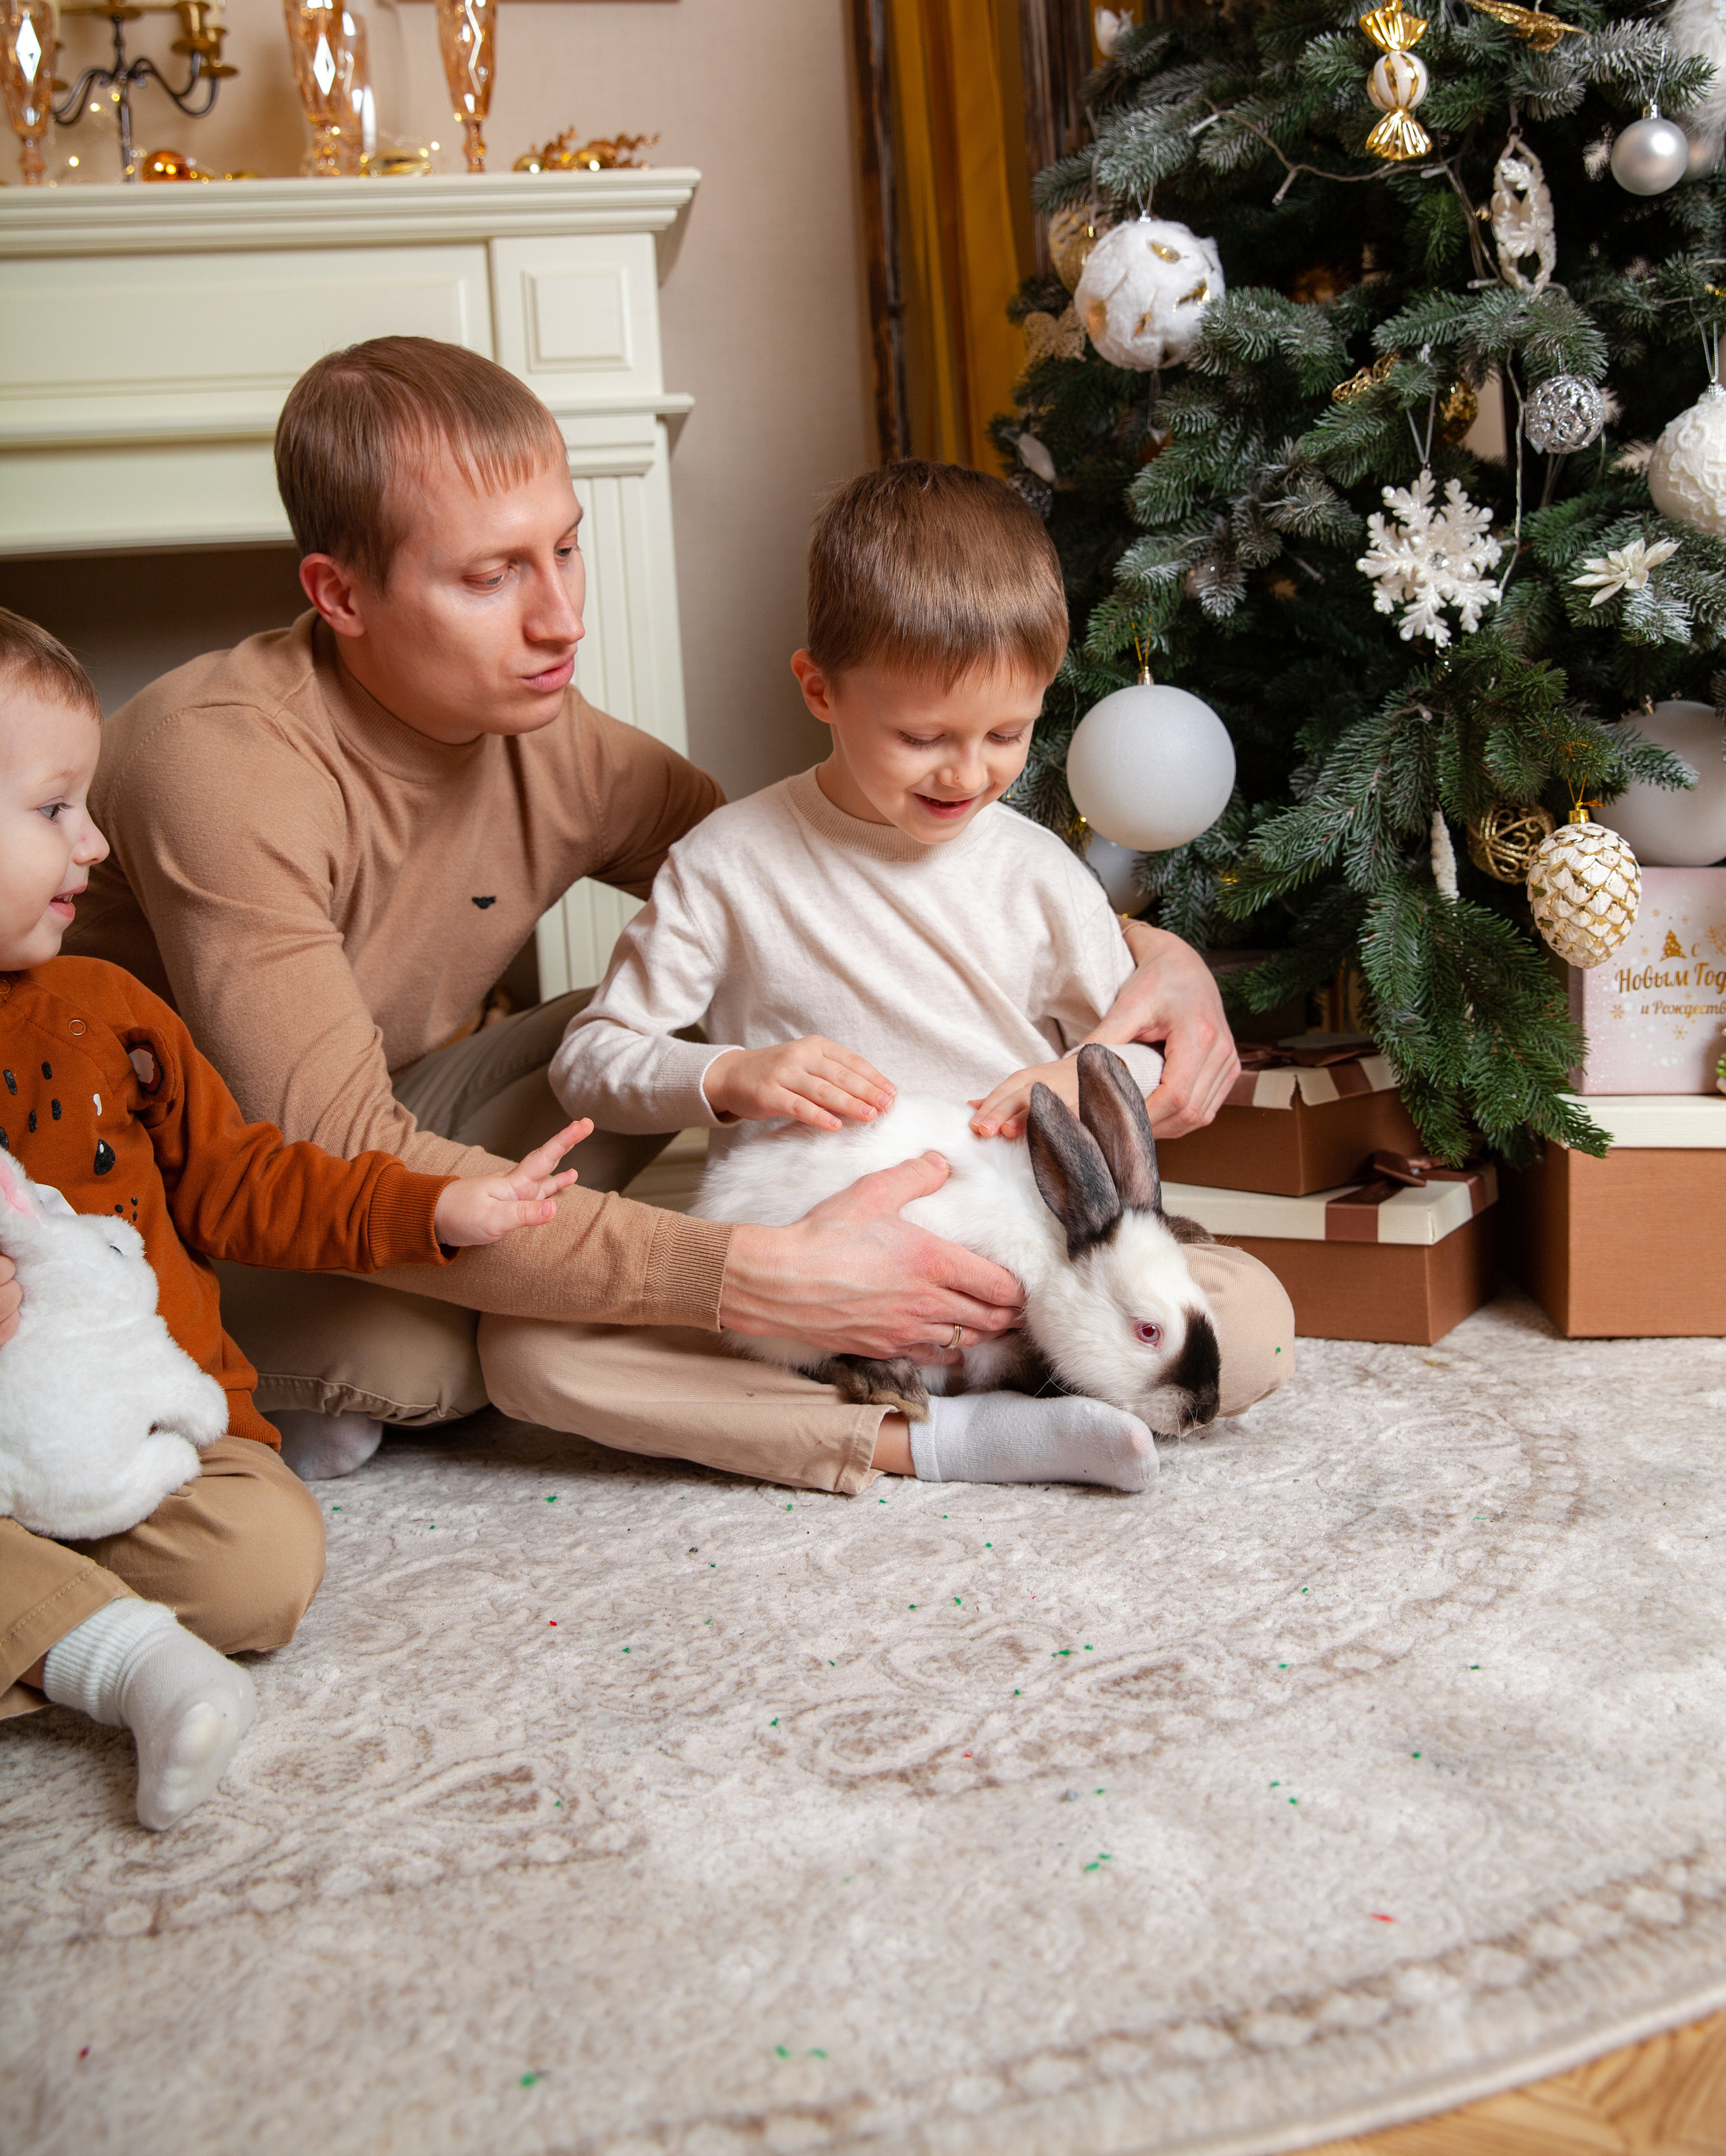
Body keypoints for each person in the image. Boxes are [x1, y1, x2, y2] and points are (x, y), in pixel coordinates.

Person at [67, 335, 1241, 1499]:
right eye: (491, 576)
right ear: (340, 594)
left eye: (566, 549)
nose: (562, 620)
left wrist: (1159, 955)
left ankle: (758, 1321)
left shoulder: (547, 734)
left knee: (618, 1052)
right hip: (170, 1178)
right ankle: (878, 1406)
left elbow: (812, 880)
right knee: (428, 1362)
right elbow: (325, 1144)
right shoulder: (219, 767)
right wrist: (745, 1274)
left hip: (405, 1099)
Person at [543, 462, 1294, 1491]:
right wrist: (730, 1076)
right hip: (821, 1278)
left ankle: (975, 1386)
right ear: (819, 689)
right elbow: (588, 1060)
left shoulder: (1036, 872)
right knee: (532, 1352)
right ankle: (950, 1436)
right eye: (922, 737)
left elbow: (1136, 1049)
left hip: (1025, 1271)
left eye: (1007, 735)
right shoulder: (729, 863)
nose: (968, 775)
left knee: (1253, 1327)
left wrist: (1078, 1070)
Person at [0, 609, 595, 1825]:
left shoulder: (107, 1006)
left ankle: (43, 1608)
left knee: (268, 1563)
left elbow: (243, 1177)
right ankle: (129, 1663)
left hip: (142, 1431)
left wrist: (437, 1206)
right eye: (54, 810)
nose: (96, 843)